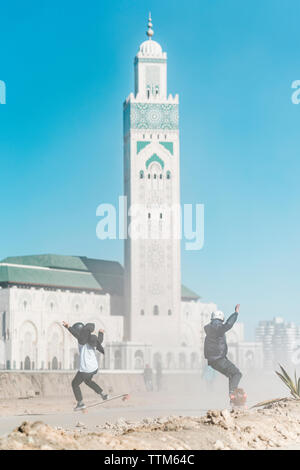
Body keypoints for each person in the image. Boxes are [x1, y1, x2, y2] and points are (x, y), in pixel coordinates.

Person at [63, 321, 108, 411]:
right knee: (88, 381)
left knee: (74, 384)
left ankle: (80, 403)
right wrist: (101, 333)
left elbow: (76, 334)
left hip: (86, 368)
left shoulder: (81, 341)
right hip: (94, 368)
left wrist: (68, 327)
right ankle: (103, 394)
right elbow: (100, 340)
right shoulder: (93, 340)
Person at [204, 304, 242, 405]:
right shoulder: (217, 327)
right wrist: (236, 313)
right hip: (219, 359)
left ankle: (234, 400)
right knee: (237, 374)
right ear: (221, 319)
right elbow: (228, 325)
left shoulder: (210, 328)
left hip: (212, 361)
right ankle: (232, 394)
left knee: (231, 375)